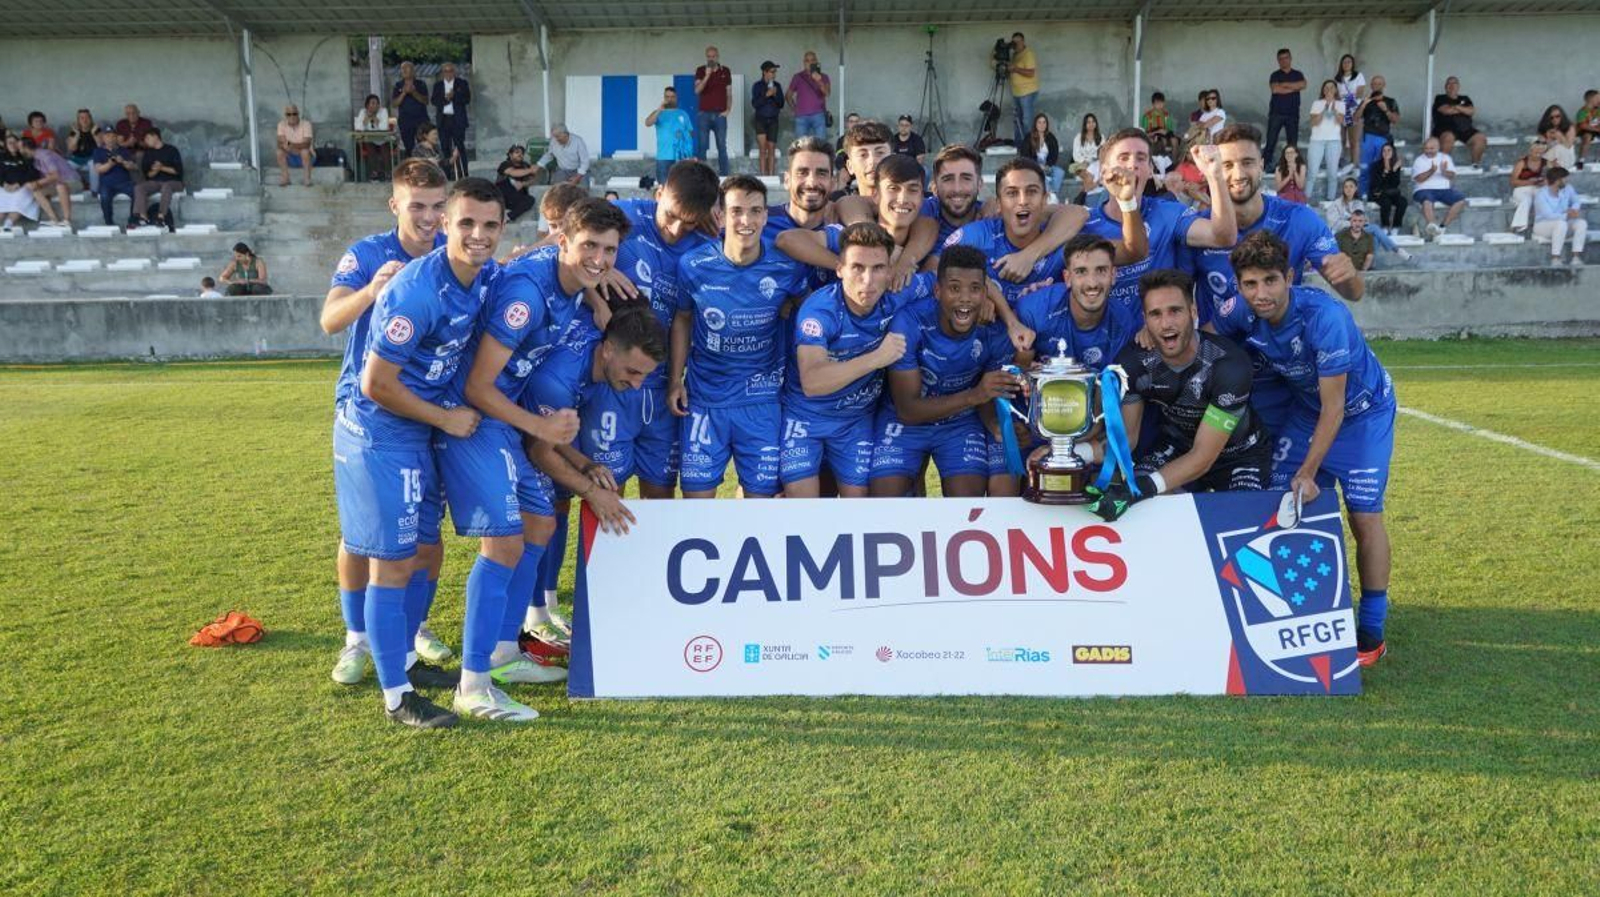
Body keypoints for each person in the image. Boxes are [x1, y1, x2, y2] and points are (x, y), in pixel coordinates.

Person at [440, 197, 625, 705]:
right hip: (473, 415)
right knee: (504, 541)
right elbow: (478, 386)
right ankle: (472, 684)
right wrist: (541, 427)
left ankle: (504, 652)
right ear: (563, 240)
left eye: (609, 251)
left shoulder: (571, 278)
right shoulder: (526, 296)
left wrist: (597, 298)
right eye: (589, 246)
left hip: (504, 416)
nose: (600, 259)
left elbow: (550, 262)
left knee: (540, 524)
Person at [336, 178, 500, 729]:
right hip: (381, 434)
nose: (478, 235)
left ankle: (404, 660)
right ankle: (396, 697)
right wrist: (446, 418)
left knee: (423, 549)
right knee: (392, 561)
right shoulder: (417, 291)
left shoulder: (478, 277)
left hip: (417, 431)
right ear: (445, 225)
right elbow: (375, 384)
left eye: (490, 225)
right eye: (466, 223)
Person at [1215, 231, 1397, 668]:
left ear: (1290, 277)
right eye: (1250, 284)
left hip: (1361, 416)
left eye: (1271, 281)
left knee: (1364, 516)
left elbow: (1335, 408)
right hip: (1307, 410)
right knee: (1275, 501)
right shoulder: (1237, 310)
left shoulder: (1325, 317)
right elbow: (1207, 342)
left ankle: (1372, 627)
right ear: (1238, 285)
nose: (1261, 294)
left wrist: (1309, 471)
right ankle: (1299, 612)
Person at [320, 158, 453, 687]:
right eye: (417, 206)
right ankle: (356, 638)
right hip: (370, 414)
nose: (428, 217)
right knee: (363, 537)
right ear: (395, 204)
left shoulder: (453, 253)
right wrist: (371, 292)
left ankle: (412, 630)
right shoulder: (369, 254)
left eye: (437, 206)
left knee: (426, 534)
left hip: (432, 415)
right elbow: (330, 319)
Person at [1183, 123, 1363, 439]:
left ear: (1262, 165)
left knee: (1280, 466)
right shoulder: (1197, 229)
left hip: (1283, 376)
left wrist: (1349, 274)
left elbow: (1353, 292)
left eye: (1247, 162)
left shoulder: (1299, 220)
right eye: (1227, 165)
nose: (1238, 173)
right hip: (1221, 373)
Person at [1089, 268, 1271, 522]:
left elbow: (1202, 457)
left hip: (1239, 455)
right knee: (1140, 506)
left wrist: (1141, 488)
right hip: (1177, 447)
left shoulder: (1229, 364)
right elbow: (1127, 439)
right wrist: (1074, 454)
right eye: (1156, 314)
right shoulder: (1134, 361)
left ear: (1193, 312)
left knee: (1238, 521)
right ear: (1145, 319)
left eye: (1175, 311)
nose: (1166, 324)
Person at [669, 175, 811, 499]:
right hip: (705, 400)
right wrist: (675, 379)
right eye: (736, 211)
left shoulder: (786, 266)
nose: (746, 221)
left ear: (765, 216)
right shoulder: (693, 265)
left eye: (755, 211)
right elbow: (682, 318)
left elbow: (807, 309)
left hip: (762, 401)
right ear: (720, 215)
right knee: (697, 505)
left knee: (760, 510)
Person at [780, 222, 936, 498]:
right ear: (839, 268)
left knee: (861, 506)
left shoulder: (898, 292)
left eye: (878, 268)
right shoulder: (820, 310)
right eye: (857, 268)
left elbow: (947, 280)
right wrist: (877, 358)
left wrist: (989, 303)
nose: (868, 280)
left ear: (890, 270)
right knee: (801, 505)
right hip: (806, 417)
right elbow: (812, 381)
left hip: (856, 421)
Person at [870, 245, 1023, 498]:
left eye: (975, 289)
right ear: (937, 291)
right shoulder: (909, 322)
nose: (965, 298)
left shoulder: (995, 331)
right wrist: (974, 395)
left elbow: (988, 395)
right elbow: (908, 410)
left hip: (959, 421)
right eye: (954, 288)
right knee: (886, 502)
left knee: (966, 504)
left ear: (985, 294)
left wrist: (996, 425)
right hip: (903, 421)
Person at [1079, 129, 1238, 313]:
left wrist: (1215, 176)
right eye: (1123, 158)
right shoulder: (1085, 225)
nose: (1132, 165)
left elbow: (1223, 237)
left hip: (1161, 328)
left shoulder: (1167, 213)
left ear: (1150, 171)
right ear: (1104, 171)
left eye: (1141, 158)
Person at [1013, 234, 1141, 371]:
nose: (1092, 283)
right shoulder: (1033, 310)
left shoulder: (1122, 323)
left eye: (1101, 270)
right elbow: (1013, 372)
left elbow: (1117, 380)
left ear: (1113, 275)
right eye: (1081, 272)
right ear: (1067, 278)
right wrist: (1023, 366)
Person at [1327, 177, 1411, 263]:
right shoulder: (1336, 204)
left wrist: (1357, 222)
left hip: (1358, 229)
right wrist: (1351, 223)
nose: (1348, 189)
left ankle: (1370, 264)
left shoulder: (1358, 203)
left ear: (1356, 188)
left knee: (1375, 237)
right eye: (1346, 187)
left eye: (1351, 186)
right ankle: (1397, 250)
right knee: (1374, 228)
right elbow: (1334, 223)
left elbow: (1364, 220)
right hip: (1342, 232)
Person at [921, 144, 988, 245]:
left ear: (979, 184)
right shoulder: (921, 211)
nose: (957, 189)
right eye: (948, 179)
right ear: (934, 187)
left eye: (966, 178)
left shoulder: (993, 221)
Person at [1411, 136, 1466, 239]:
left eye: (1431, 148)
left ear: (1438, 148)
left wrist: (1444, 171)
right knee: (1427, 200)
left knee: (1460, 200)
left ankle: (1442, 227)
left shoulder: (1445, 158)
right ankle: (1432, 226)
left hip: (1444, 190)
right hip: (1424, 189)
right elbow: (1418, 179)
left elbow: (1452, 175)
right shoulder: (1419, 160)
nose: (1428, 151)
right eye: (1426, 148)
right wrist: (1431, 171)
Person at [1531, 166, 1587, 267]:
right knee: (1561, 224)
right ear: (1557, 180)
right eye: (1565, 179)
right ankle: (1555, 259)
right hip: (1543, 225)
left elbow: (1576, 201)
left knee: (1581, 223)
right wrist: (1567, 215)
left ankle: (1576, 258)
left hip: (1563, 222)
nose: (1567, 181)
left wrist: (1573, 210)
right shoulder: (1541, 195)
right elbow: (1548, 215)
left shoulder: (1568, 188)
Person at [1354, 75, 1399, 195]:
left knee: (1382, 168)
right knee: (1365, 168)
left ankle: (1379, 195)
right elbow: (1355, 118)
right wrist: (1364, 104)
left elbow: (1395, 120)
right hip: (1368, 137)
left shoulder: (1390, 101)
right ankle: (1363, 195)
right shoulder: (1366, 101)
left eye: (1379, 84)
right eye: (1374, 84)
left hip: (1383, 138)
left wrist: (1386, 110)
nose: (1377, 86)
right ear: (1371, 86)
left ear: (1384, 85)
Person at [132, 128, 183, 232]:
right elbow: (147, 175)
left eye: (147, 138)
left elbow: (178, 171)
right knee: (139, 188)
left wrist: (162, 168)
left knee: (166, 186)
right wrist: (155, 171)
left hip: (174, 181)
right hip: (155, 182)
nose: (146, 141)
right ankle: (143, 217)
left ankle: (161, 217)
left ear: (155, 136)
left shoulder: (171, 150)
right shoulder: (148, 153)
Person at [694, 45, 734, 176]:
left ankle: (724, 176)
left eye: (713, 56)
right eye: (709, 56)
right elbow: (697, 90)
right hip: (704, 114)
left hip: (720, 114)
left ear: (718, 56)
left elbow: (729, 93)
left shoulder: (725, 71)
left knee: (722, 146)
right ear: (706, 57)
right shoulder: (701, 70)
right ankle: (701, 176)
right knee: (702, 146)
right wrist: (707, 76)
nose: (711, 59)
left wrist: (728, 110)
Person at [1431, 76, 1487, 165]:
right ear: (1445, 87)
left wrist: (1455, 106)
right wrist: (1463, 109)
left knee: (1481, 138)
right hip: (1445, 129)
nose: (1452, 85)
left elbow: (1471, 111)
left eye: (1454, 83)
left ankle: (1475, 165)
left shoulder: (1465, 98)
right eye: (1449, 83)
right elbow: (1446, 111)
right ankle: (1442, 166)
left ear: (1458, 86)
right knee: (1448, 137)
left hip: (1465, 129)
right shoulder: (1440, 98)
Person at [645, 86, 694, 186]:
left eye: (672, 97)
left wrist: (682, 134)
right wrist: (659, 109)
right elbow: (648, 123)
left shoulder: (683, 114)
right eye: (667, 97)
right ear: (664, 98)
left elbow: (691, 133)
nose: (670, 99)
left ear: (676, 98)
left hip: (681, 157)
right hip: (663, 157)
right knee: (663, 187)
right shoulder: (658, 113)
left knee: (680, 187)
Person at [21, 137, 76, 226]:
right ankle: (54, 219)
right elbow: (48, 178)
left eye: (20, 148)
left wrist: (37, 183)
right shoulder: (35, 159)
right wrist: (35, 185)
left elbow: (56, 176)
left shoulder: (44, 155)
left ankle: (67, 220)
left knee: (60, 185)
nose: (19, 151)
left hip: (72, 182)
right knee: (36, 192)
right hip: (56, 183)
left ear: (26, 148)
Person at [1266, 49, 1307, 167]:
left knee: (1292, 144)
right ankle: (1265, 165)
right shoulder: (1275, 75)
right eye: (1281, 59)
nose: (1284, 60)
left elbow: (1303, 84)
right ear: (1278, 60)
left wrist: (1283, 84)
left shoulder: (1297, 74)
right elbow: (1275, 89)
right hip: (1276, 113)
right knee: (1271, 142)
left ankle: (1291, 166)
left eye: (1286, 58)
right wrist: (1294, 87)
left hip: (1292, 114)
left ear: (1290, 58)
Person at [91, 125, 138, 228]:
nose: (110, 138)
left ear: (116, 137)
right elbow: (99, 169)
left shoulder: (123, 150)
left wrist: (123, 161)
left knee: (137, 191)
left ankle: (133, 221)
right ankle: (109, 223)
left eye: (113, 136)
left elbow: (134, 166)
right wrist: (110, 163)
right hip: (107, 184)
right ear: (103, 138)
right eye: (107, 136)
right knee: (104, 196)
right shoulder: (98, 151)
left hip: (124, 183)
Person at [1307, 81, 1343, 202]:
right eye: (1326, 87)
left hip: (1334, 141)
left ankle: (1330, 200)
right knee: (1312, 172)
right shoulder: (1317, 103)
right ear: (1323, 90)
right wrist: (1324, 108)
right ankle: (1306, 199)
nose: (1329, 90)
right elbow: (1313, 123)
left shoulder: (1341, 104)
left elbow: (1340, 122)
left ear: (1336, 90)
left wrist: (1333, 108)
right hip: (1317, 141)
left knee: (1332, 173)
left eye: (1332, 87)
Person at [430, 61, 471, 167]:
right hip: (443, 120)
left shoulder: (462, 83)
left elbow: (467, 99)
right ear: (442, 73)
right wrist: (446, 99)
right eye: (446, 71)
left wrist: (454, 96)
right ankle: (447, 173)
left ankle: (463, 172)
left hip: (457, 120)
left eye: (451, 71)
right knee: (445, 148)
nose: (448, 73)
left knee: (459, 147)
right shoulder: (438, 85)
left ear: (454, 72)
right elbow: (434, 101)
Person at [786, 50, 832, 140]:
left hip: (819, 114)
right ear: (804, 63)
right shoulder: (798, 77)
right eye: (807, 60)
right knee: (800, 145)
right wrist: (795, 109)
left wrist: (819, 81)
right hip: (801, 116)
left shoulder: (824, 77)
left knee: (821, 144)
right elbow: (788, 96)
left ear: (817, 61)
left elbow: (827, 93)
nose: (810, 62)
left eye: (813, 60)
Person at [0, 133, 41, 231]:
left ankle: (8, 224)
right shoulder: (1, 157)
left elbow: (33, 173)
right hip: (4, 186)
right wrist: (3, 184)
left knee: (20, 199)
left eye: (15, 142)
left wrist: (19, 184)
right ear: (6, 145)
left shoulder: (26, 156)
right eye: (10, 143)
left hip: (22, 186)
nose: (13, 145)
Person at [1509, 138, 1550, 234]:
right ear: (1531, 151)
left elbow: (1553, 178)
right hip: (1521, 189)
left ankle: (1542, 225)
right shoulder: (1522, 163)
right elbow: (1513, 182)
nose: (1539, 154)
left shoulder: (1546, 162)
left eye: (1541, 152)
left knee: (1542, 198)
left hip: (1538, 188)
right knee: (1526, 200)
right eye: (1536, 152)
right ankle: (1519, 225)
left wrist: (1544, 182)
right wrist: (1530, 182)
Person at [1006, 32, 1039, 148]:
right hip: (1016, 92)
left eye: (1018, 42)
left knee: (1026, 121)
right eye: (1014, 42)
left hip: (1027, 93)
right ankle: (1019, 145)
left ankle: (1029, 146)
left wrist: (1015, 69)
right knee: (1017, 120)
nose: (1016, 44)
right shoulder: (1015, 55)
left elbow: (1031, 73)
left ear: (1023, 42)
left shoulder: (1028, 54)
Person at [1333, 55, 1366, 170]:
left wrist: (1346, 98)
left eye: (1349, 62)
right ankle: (1340, 163)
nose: (1346, 64)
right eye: (1344, 62)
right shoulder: (1338, 78)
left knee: (1354, 140)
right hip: (1341, 111)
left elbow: (1360, 93)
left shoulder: (1358, 76)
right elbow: (1336, 95)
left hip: (1354, 110)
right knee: (1340, 139)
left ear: (1352, 64)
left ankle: (1354, 164)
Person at [752, 61, 785, 176]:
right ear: (764, 72)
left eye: (775, 72)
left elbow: (781, 104)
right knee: (762, 149)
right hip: (760, 120)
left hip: (773, 120)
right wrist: (767, 94)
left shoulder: (777, 86)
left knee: (772, 149)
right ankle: (762, 176)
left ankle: (771, 175)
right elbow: (755, 104)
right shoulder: (757, 86)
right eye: (772, 71)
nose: (774, 74)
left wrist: (775, 95)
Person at [391, 61, 431, 155]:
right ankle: (411, 163)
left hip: (421, 119)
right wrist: (404, 93)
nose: (404, 70)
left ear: (413, 71)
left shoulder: (420, 84)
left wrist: (413, 92)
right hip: (405, 120)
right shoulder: (398, 85)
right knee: (409, 147)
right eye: (402, 68)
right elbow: (394, 104)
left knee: (423, 146)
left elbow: (425, 101)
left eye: (406, 68)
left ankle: (423, 163)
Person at [1021, 113, 1064, 198]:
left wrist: (1048, 165)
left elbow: (1054, 154)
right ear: (1035, 124)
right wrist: (1038, 165)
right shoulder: (1029, 137)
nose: (1042, 125)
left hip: (1047, 165)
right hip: (1033, 166)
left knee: (1059, 172)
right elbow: (1025, 155)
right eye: (1039, 122)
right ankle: (1048, 196)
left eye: (1044, 122)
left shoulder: (1050, 137)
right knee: (1042, 176)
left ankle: (1053, 194)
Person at [1368, 142, 1408, 232]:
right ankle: (1385, 227)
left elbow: (1395, 184)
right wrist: (1385, 171)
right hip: (1379, 192)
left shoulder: (1395, 165)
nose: (1386, 153)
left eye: (1389, 150)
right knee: (1386, 202)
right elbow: (1376, 183)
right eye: (1384, 151)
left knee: (1403, 202)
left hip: (1391, 193)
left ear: (1393, 152)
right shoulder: (1376, 165)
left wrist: (1394, 170)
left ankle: (1396, 227)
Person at [354, 93, 394, 181]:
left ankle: (388, 173)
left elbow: (384, 128)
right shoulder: (363, 112)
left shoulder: (383, 111)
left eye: (377, 103)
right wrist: (366, 119)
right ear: (367, 105)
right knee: (369, 147)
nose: (375, 106)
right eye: (372, 103)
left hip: (383, 139)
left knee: (384, 148)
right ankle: (374, 173)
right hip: (370, 139)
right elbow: (358, 128)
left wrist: (374, 117)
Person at [493, 145, 537, 222]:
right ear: (510, 155)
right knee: (506, 182)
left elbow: (533, 180)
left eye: (522, 153)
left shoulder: (525, 165)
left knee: (530, 199)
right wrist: (531, 170)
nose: (520, 155)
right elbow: (513, 172)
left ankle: (508, 217)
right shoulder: (505, 164)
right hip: (502, 195)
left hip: (516, 197)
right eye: (517, 152)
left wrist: (523, 184)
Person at [275, 105, 314, 187]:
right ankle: (286, 178)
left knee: (305, 152)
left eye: (294, 114)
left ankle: (307, 179)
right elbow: (280, 143)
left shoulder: (306, 124)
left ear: (298, 114)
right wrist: (294, 147)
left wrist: (291, 145)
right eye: (289, 114)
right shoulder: (281, 124)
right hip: (290, 156)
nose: (292, 116)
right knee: (279, 152)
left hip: (307, 156)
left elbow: (306, 144)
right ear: (286, 115)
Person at [66, 109, 98, 190]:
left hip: (91, 159)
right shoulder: (74, 132)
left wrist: (94, 133)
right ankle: (75, 189)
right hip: (77, 160)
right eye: (82, 118)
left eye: (87, 117)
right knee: (66, 166)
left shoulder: (96, 130)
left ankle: (94, 190)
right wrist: (77, 135)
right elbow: (71, 149)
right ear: (78, 120)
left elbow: (100, 145)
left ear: (90, 119)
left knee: (93, 164)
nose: (85, 120)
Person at [1070, 113, 1103, 178]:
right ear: (1085, 125)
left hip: (1096, 164)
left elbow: (1103, 152)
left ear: (1096, 123)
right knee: (1077, 169)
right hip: (1081, 165)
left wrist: (1091, 161)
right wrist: (1084, 161)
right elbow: (1076, 154)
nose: (1091, 124)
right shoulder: (1078, 137)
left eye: (1093, 122)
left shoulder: (1101, 137)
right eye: (1088, 122)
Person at [1577, 89, 1600, 168]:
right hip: (1586, 130)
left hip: (1596, 129)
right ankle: (1581, 160)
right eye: (1598, 98)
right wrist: (1597, 129)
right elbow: (1582, 125)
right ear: (1590, 100)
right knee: (1587, 137)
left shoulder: (1598, 110)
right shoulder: (1583, 111)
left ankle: (1598, 159)